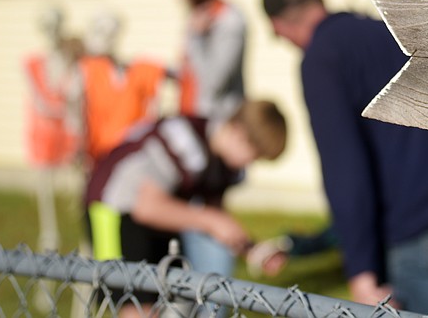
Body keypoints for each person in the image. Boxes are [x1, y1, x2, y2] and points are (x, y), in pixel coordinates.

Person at [262, 0, 428, 316]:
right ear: (318, 1)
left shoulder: (322, 59)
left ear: (280, 26)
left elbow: (345, 170)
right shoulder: (380, 31)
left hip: (419, 220)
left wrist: (361, 271)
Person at [84, 100, 287, 314]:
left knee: (174, 299)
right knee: (134, 301)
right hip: (114, 210)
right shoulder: (185, 140)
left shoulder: (221, 165)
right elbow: (146, 207)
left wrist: (251, 249)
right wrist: (210, 220)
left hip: (160, 220)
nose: (248, 164)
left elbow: (214, 219)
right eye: (252, 154)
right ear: (238, 131)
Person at [170, 0, 248, 278]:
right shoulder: (200, 17)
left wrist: (196, 38)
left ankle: (213, 295)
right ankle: (194, 284)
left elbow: (213, 82)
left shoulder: (228, 20)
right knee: (191, 212)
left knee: (211, 211)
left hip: (216, 134)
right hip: (192, 127)